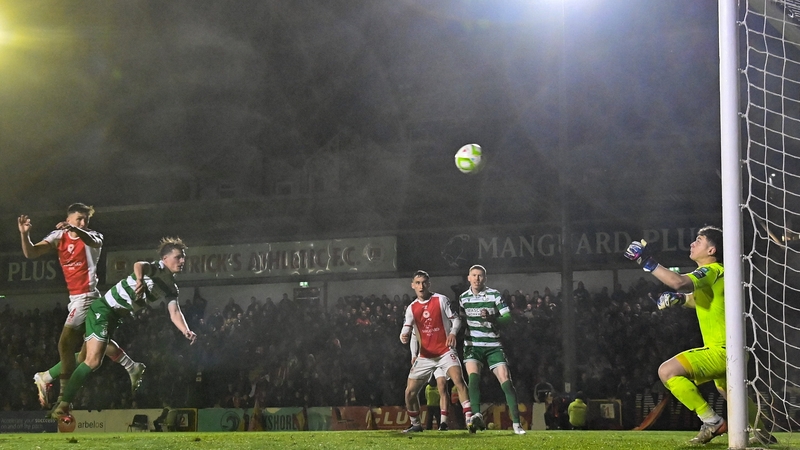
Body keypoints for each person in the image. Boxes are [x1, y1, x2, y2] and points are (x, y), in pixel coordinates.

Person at [625, 226, 776, 446]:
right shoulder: (718, 274)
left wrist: (646, 261)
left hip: (723, 350)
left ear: (712, 249)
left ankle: (711, 421)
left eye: (699, 240)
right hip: (734, 349)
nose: (692, 244)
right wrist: (679, 299)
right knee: (728, 391)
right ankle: (763, 433)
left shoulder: (711, 270)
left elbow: (679, 281)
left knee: (667, 371)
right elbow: (700, 300)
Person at [50, 237, 197, 421]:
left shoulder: (171, 288)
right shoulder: (158, 268)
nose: (182, 261)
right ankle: (63, 405)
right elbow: (138, 265)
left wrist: (186, 330)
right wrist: (140, 280)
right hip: (103, 310)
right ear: (165, 258)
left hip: (115, 317)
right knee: (93, 361)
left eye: (183, 257)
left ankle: (47, 376)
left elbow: (174, 312)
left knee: (83, 358)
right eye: (178, 257)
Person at [18, 204, 145, 408]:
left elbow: (89, 239)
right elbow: (31, 253)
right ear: (68, 219)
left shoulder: (93, 236)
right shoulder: (58, 236)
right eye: (79, 219)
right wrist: (25, 235)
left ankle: (61, 396)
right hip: (77, 299)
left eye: (86, 219)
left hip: (87, 297)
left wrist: (76, 229)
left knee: (65, 344)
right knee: (89, 352)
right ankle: (132, 366)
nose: (84, 223)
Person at [399, 270, 473, 433]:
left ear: (429, 284)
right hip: (425, 356)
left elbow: (456, 320)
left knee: (458, 381)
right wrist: (403, 336)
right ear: (412, 285)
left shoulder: (441, 300)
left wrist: (453, 333)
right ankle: (416, 424)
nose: (421, 286)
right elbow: (407, 327)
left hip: (445, 351)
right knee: (409, 392)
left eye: (424, 282)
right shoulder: (412, 308)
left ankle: (469, 420)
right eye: (417, 283)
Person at [459, 265, 526, 435]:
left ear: (485, 278)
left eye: (480, 276)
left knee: (506, 381)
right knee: (473, 379)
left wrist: (492, 318)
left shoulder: (494, 295)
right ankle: (475, 418)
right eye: (474, 275)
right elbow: (461, 320)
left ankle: (517, 424)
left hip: (492, 345)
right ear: (469, 278)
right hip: (473, 345)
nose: (477, 279)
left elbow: (508, 317)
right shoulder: (463, 298)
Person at [410, 333, 450, 431]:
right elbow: (414, 335)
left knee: (442, 386)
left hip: (440, 355)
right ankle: (415, 423)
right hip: (424, 358)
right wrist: (413, 354)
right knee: (411, 389)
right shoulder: (418, 319)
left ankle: (443, 423)